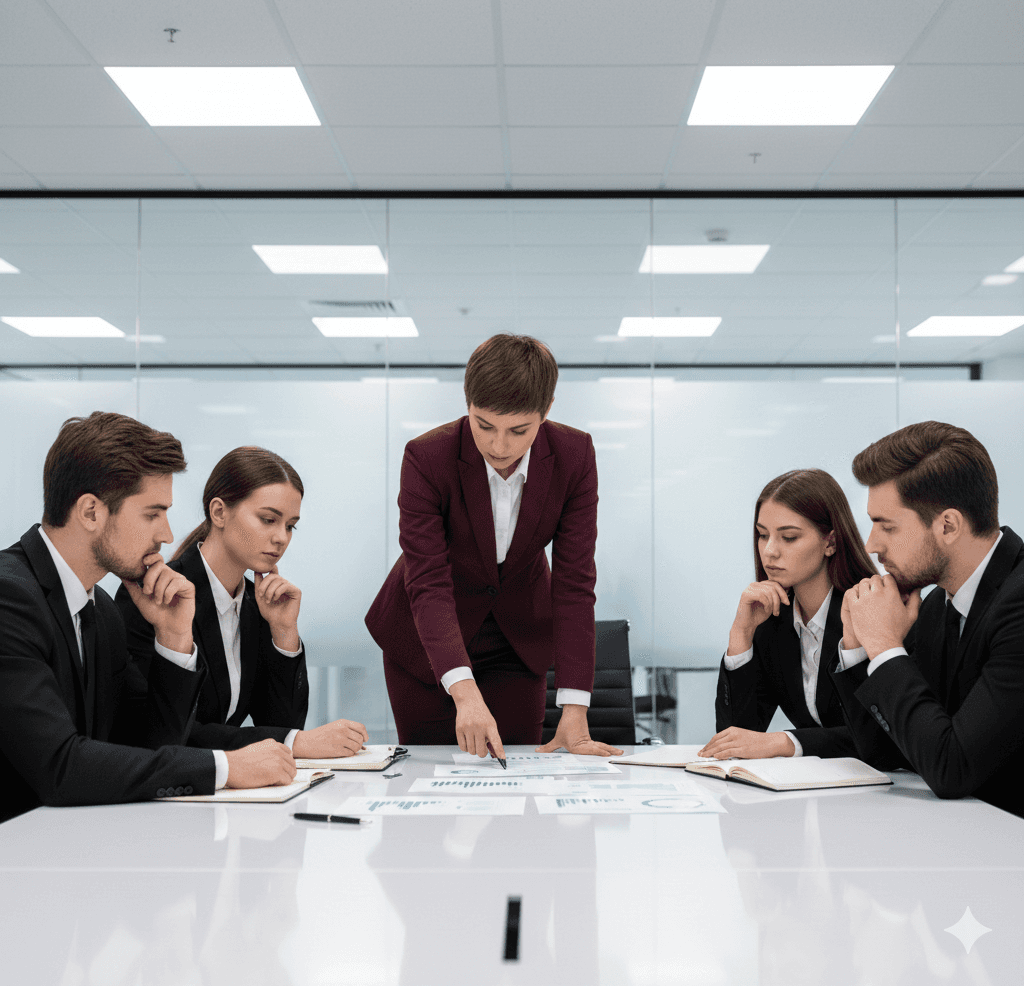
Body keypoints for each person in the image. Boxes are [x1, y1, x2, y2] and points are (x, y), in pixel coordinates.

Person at [0, 412, 296, 824]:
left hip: (68, 845)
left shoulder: (99, 610)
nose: (168, 534)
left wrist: (174, 636)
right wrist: (224, 769)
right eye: (152, 514)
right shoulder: (9, 597)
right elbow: (60, 767)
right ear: (90, 512)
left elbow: (150, 746)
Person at [365, 333, 623, 758]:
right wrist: (463, 693)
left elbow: (575, 584)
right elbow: (428, 582)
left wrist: (575, 707)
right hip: (426, 637)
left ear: (547, 411)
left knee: (516, 773)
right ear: (467, 404)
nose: (499, 446)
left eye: (519, 430)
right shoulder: (427, 458)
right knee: (430, 776)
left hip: (517, 636)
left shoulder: (574, 455)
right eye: (483, 425)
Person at [116, 446, 368, 759]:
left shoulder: (256, 602)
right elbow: (160, 732)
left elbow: (280, 724)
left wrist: (284, 633)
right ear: (219, 512)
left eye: (290, 525)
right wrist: (295, 742)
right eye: (268, 520)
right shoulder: (157, 596)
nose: (281, 538)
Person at [833, 421, 1024, 818]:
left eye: (887, 526)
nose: (871, 545)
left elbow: (952, 768)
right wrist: (857, 645)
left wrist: (886, 647)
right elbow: (886, 753)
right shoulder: (937, 605)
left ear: (948, 525)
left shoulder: (1019, 603)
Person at [701, 469, 876, 760]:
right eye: (762, 535)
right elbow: (735, 738)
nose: (769, 551)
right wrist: (740, 636)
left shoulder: (869, 610)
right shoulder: (774, 623)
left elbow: (880, 739)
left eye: (789, 537)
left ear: (830, 542)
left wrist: (786, 742)